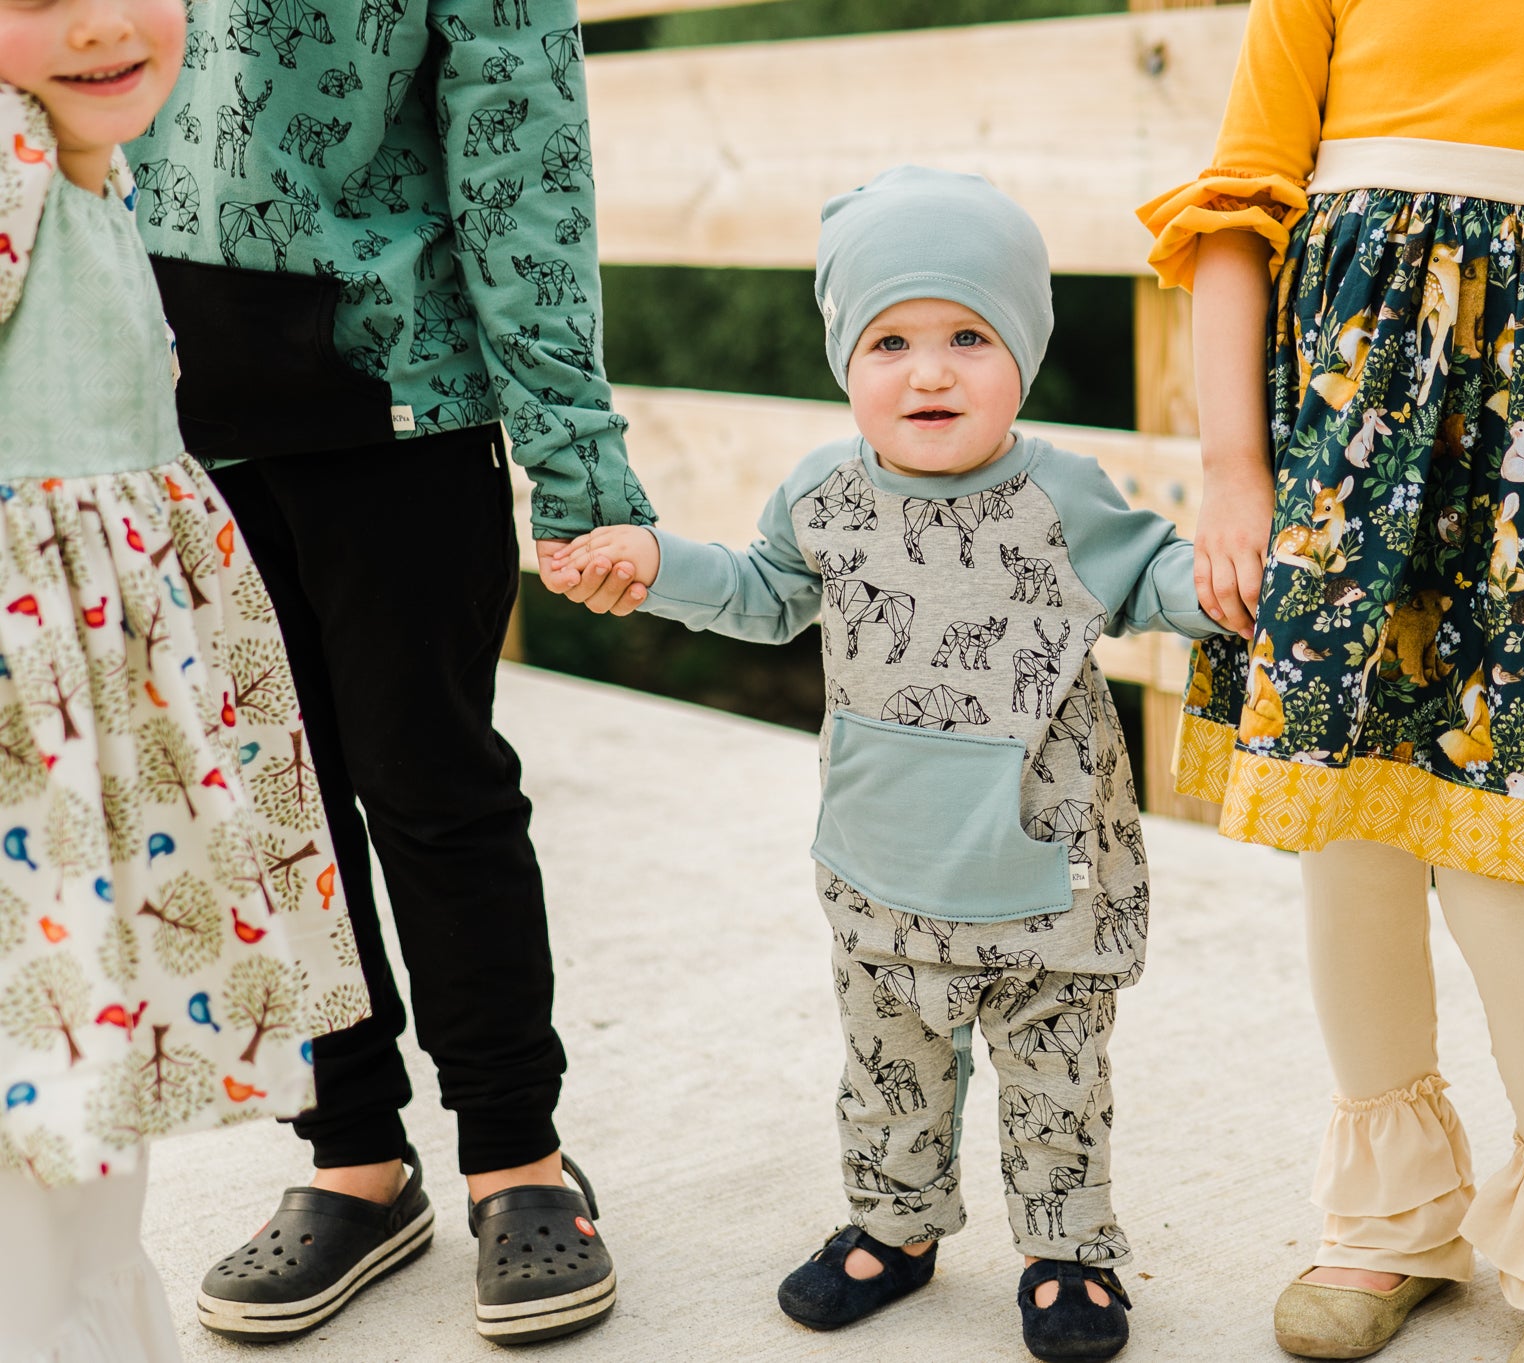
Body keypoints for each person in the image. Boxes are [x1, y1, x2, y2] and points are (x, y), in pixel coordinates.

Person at [1136, 1, 1524, 1357]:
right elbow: (1239, 221)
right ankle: (1390, 1216)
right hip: (1348, 449)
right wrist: (1234, 468)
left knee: (1513, 872)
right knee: (1350, 844)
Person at [555, 165, 1226, 1363]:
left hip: (1043, 865)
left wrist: (1229, 589)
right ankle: (893, 1225)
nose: (929, 371)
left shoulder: (1059, 495)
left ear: (1022, 349)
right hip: (883, 858)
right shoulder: (823, 493)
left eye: (970, 335)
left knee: (1055, 1071)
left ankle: (1067, 1249)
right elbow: (764, 598)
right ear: (843, 360)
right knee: (887, 1061)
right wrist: (658, 563)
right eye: (890, 340)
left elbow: (1153, 578)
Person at [124, 0, 654, 1338]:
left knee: (431, 785)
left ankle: (517, 1156)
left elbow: (519, 149)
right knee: (264, 813)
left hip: (395, 398)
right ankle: (352, 1153)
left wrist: (575, 457)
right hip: (161, 420)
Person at [0, 12, 367, 1355]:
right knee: (44, 1102)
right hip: (32, 733)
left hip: (100, 729)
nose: (98, 20)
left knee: (86, 1104)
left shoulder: (80, 154)